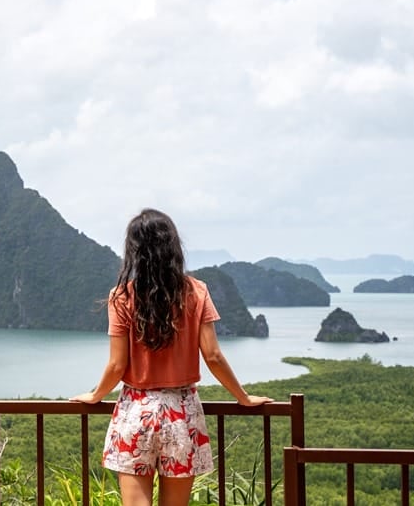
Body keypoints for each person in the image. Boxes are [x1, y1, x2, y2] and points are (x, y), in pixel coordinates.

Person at [71, 208, 273, 506]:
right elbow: (213, 355)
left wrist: (95, 394)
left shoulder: (122, 297)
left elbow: (117, 365)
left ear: (134, 251)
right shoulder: (197, 291)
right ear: (173, 246)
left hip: (136, 411)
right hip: (182, 411)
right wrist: (243, 397)